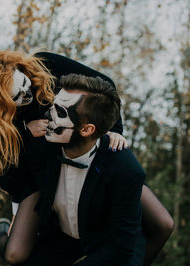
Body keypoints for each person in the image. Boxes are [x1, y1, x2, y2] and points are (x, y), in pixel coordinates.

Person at [0, 49, 173, 265]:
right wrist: (25, 134)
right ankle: (0, 238)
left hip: (85, 157)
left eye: (23, 84)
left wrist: (112, 129)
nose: (26, 95)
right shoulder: (1, 125)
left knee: (163, 223)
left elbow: (102, 86)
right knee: (15, 254)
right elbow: (10, 181)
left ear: (19, 68)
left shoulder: (46, 65)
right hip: (41, 174)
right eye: (17, 97)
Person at [18, 74, 145, 265]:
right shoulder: (41, 147)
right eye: (53, 106)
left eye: (60, 112)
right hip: (60, 240)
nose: (47, 115)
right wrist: (24, 133)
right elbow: (9, 180)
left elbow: (120, 247)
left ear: (87, 130)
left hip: (108, 248)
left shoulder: (125, 170)